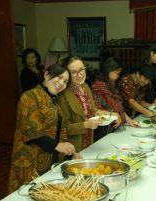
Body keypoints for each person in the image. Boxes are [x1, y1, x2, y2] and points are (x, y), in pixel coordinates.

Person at [9, 64, 80, 193]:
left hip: (48, 164)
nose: (61, 83)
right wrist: (58, 146)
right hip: (31, 162)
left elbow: (60, 134)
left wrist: (70, 154)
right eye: (59, 77)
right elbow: (31, 131)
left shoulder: (54, 102)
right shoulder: (30, 96)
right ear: (47, 75)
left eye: (65, 82)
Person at [57, 56, 121, 152]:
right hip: (73, 149)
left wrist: (98, 112)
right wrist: (86, 125)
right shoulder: (63, 95)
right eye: (74, 72)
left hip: (89, 144)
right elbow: (64, 128)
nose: (79, 75)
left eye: (81, 70)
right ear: (67, 74)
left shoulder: (85, 87)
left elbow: (91, 109)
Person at [91, 57, 138, 141]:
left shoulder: (110, 84)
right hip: (103, 128)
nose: (118, 76)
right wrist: (119, 115)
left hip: (114, 126)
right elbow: (112, 108)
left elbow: (118, 107)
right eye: (117, 73)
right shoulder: (99, 87)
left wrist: (129, 120)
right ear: (109, 70)